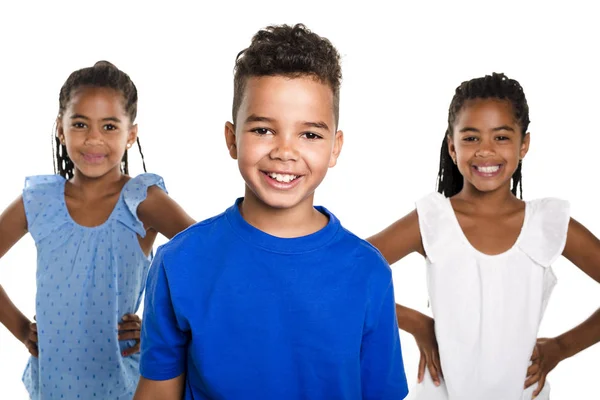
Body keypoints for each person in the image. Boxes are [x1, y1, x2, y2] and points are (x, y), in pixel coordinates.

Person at [134, 24, 409, 400]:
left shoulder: (367, 271)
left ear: (335, 147)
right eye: (263, 130)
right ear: (232, 139)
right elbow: (158, 391)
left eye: (309, 134)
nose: (284, 151)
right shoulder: (177, 263)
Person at [368, 72, 600, 399]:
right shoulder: (432, 219)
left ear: (524, 144)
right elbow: (345, 272)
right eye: (471, 137)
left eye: (501, 137)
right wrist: (418, 324)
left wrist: (561, 347)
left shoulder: (548, 222)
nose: (485, 151)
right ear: (452, 145)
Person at [0, 61, 195, 399]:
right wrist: (20, 329)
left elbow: (207, 259)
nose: (93, 139)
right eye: (80, 124)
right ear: (60, 129)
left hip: (124, 385)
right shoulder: (39, 201)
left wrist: (154, 324)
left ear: (130, 134)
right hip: (53, 384)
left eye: (109, 126)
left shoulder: (142, 200)